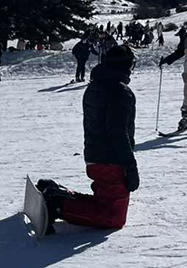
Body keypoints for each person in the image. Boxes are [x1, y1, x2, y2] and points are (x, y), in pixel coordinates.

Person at [35, 45, 139, 233]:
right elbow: (117, 132)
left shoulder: (95, 85)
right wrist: (130, 166)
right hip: (111, 162)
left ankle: (57, 194)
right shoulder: (120, 91)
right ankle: (58, 204)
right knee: (113, 218)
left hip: (95, 156)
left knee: (103, 203)